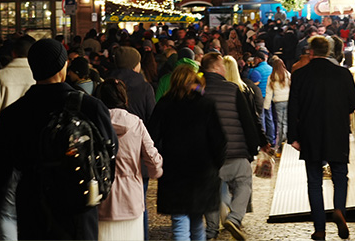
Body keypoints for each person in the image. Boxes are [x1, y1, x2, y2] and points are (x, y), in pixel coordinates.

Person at [0, 38, 117, 241]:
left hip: (32, 203)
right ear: (63, 66)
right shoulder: (89, 107)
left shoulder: (13, 114)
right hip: (77, 202)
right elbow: (110, 152)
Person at [287, 36, 355, 241]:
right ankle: (339, 211)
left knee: (314, 181)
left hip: (310, 134)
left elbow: (293, 108)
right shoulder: (343, 74)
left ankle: (319, 229)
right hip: (337, 132)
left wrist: (293, 137)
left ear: (310, 51)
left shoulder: (300, 75)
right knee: (340, 176)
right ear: (328, 52)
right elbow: (353, 102)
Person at [148, 64, 226, 241]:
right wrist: (215, 164)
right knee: (197, 219)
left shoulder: (164, 105)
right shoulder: (206, 104)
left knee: (179, 219)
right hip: (203, 171)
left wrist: (161, 159)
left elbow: (152, 136)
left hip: (174, 170)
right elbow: (219, 139)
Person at [200, 53, 268, 241]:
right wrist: (253, 148)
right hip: (236, 151)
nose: (224, 69)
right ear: (215, 67)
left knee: (212, 191)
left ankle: (212, 230)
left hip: (208, 155)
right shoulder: (232, 89)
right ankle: (234, 218)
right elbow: (247, 121)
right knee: (243, 184)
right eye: (221, 65)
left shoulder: (198, 90)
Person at [0, 35, 36, 240]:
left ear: (13, 53)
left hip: (5, 152)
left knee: (6, 211)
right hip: (35, 152)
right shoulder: (41, 76)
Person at [94, 78, 163, 241]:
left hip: (102, 198)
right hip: (131, 199)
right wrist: (155, 171)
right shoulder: (136, 123)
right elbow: (153, 159)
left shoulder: (95, 124)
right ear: (124, 99)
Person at [264, 56, 291, 151]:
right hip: (287, 100)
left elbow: (268, 92)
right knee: (286, 121)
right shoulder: (288, 75)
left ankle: (280, 142)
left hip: (278, 102)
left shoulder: (271, 77)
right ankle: (285, 139)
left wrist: (266, 106)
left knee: (280, 122)